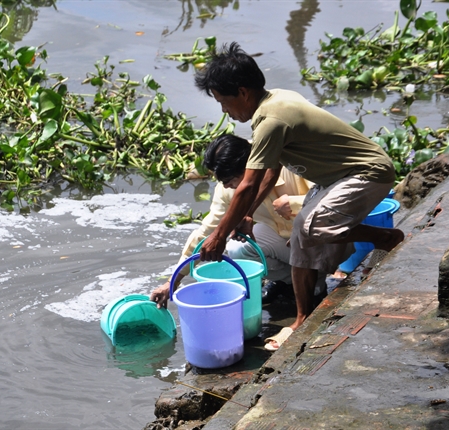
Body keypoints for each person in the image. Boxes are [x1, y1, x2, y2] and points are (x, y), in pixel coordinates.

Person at [193, 42, 404, 351]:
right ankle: (303, 317)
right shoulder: (276, 101)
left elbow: (249, 184)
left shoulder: (270, 121)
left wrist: (220, 235)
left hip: (366, 172)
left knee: (309, 226)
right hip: (336, 178)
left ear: (242, 91)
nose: (224, 110)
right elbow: (271, 173)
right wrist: (248, 213)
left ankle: (385, 237)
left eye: (223, 101)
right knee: (302, 234)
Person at [149, 134, 328, 310]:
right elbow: (206, 234)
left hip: (323, 241)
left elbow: (333, 196)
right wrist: (172, 282)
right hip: (286, 242)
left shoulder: (289, 162)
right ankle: (289, 283)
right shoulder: (227, 191)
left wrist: (297, 204)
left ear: (249, 169)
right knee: (237, 247)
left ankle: (316, 286)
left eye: (229, 180)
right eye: (222, 181)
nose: (226, 186)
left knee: (304, 239)